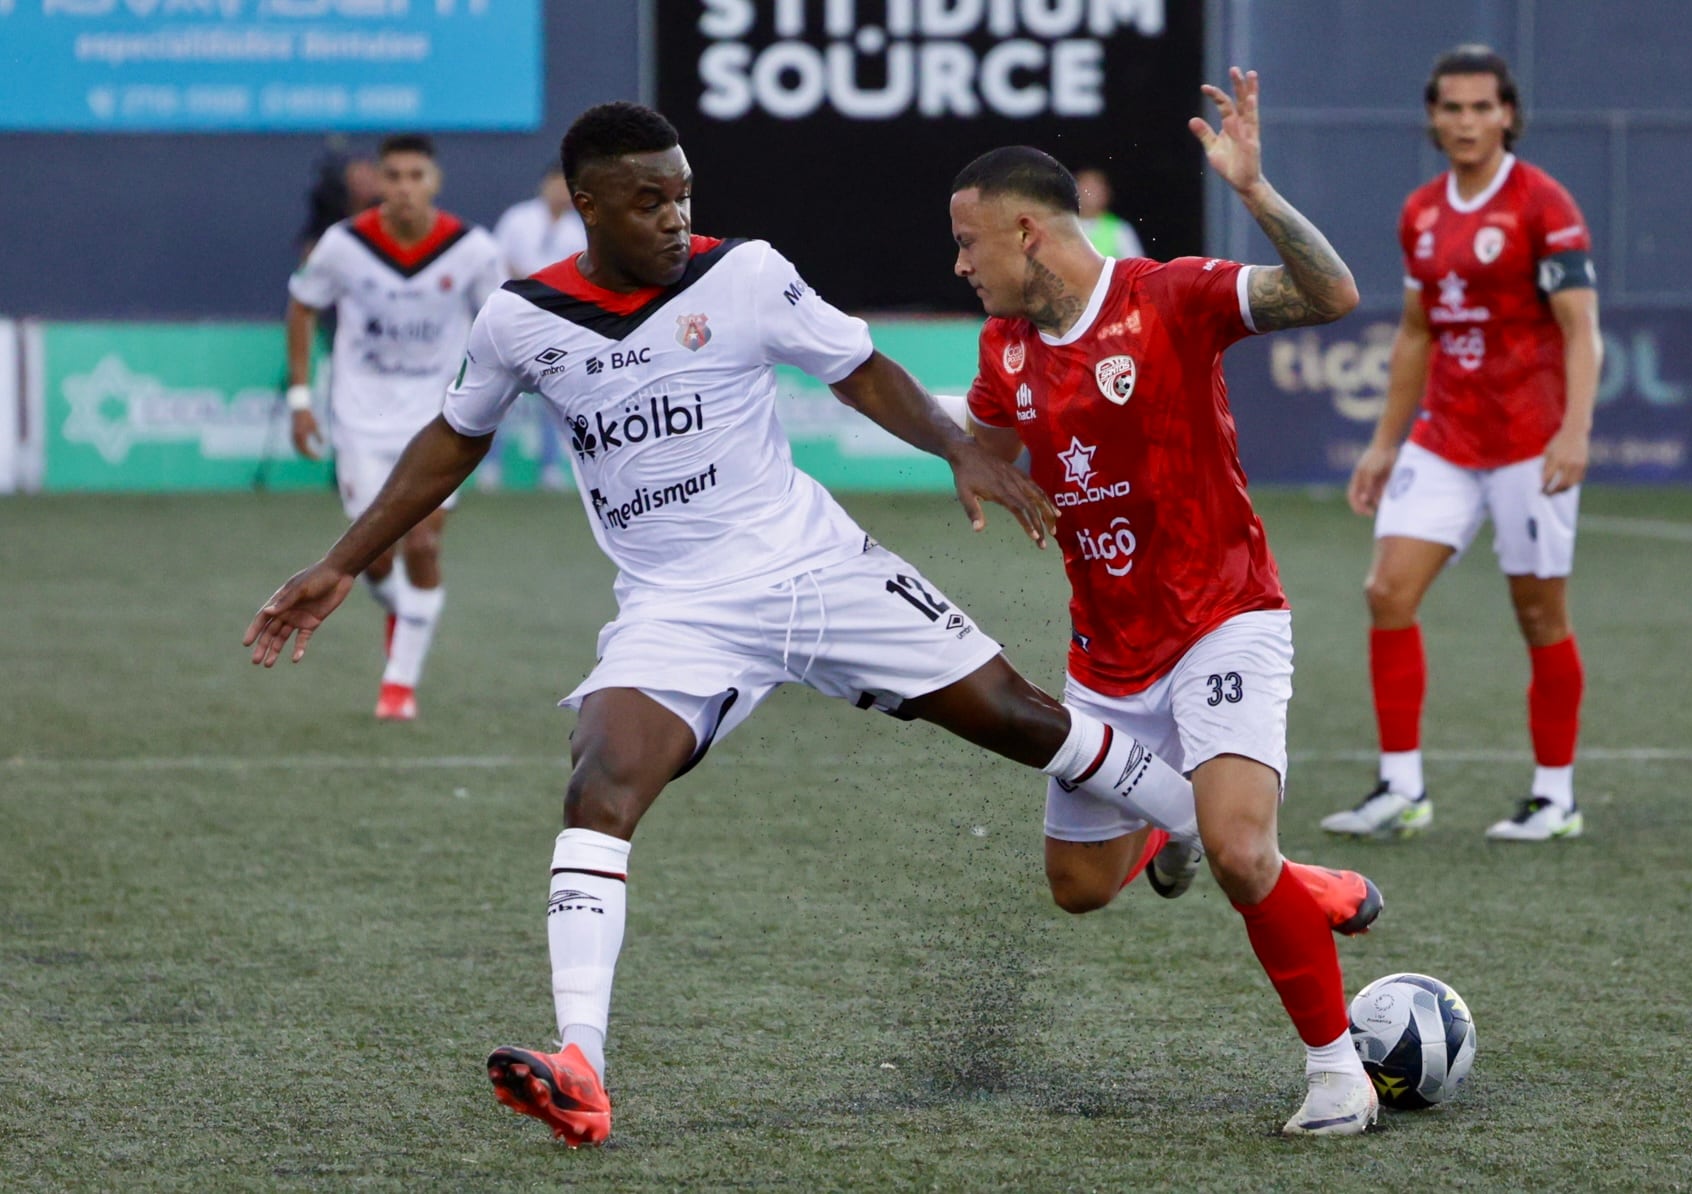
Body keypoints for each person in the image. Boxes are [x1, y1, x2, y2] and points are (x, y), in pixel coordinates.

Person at [244, 101, 1328, 1149]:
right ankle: (581, 1065)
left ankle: (1233, 845)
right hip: (678, 609)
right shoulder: (521, 319)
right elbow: (452, 437)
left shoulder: (746, 274)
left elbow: (861, 373)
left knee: (1018, 719)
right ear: (588, 203)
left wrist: (959, 450)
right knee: (599, 780)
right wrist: (341, 562)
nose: (675, 216)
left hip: (817, 569)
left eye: (683, 196)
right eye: (649, 200)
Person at [956, 68, 1384, 1136]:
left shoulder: (1169, 296)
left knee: (1242, 853)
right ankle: (1232, 849)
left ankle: (1338, 1074)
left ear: (1026, 232)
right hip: (1107, 655)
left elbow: (1332, 298)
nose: (960, 265)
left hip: (1224, 615)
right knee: (1079, 888)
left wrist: (1258, 194)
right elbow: (993, 435)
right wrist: (980, 469)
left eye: (970, 244)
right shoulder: (1005, 348)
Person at [1320, 45, 1601, 843]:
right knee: (1386, 592)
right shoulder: (1421, 211)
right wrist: (1383, 443)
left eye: (1482, 107)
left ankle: (1555, 797)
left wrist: (1574, 430)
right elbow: (1415, 333)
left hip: (1529, 440)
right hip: (1443, 436)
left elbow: (1581, 330)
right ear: (1432, 118)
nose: (1467, 121)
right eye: (1452, 107)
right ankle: (1400, 790)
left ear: (1507, 113)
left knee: (1538, 613)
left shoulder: (1543, 204)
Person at [283, 133, 504, 721]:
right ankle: (400, 611)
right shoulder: (344, 244)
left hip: (440, 418)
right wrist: (301, 397)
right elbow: (303, 304)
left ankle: (399, 685)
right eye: (394, 176)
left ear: (434, 182)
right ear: (380, 182)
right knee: (373, 559)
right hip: (359, 418)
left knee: (424, 542)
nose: (405, 187)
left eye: (416, 176)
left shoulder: (472, 249)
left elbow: (503, 324)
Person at [485, 162, 592, 491]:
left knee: (556, 396)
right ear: (544, 185)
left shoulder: (578, 229)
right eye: (555, 184)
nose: (560, 192)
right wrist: (534, 284)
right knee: (500, 396)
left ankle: (550, 466)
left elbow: (583, 275)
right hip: (517, 319)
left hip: (558, 324)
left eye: (566, 186)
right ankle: (490, 467)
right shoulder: (518, 219)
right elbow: (496, 261)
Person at [1074, 167, 1144, 259]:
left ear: (1107, 194)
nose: (1090, 194)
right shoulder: (1059, 227)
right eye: (1085, 187)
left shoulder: (1119, 229)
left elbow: (1137, 269)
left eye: (1096, 188)